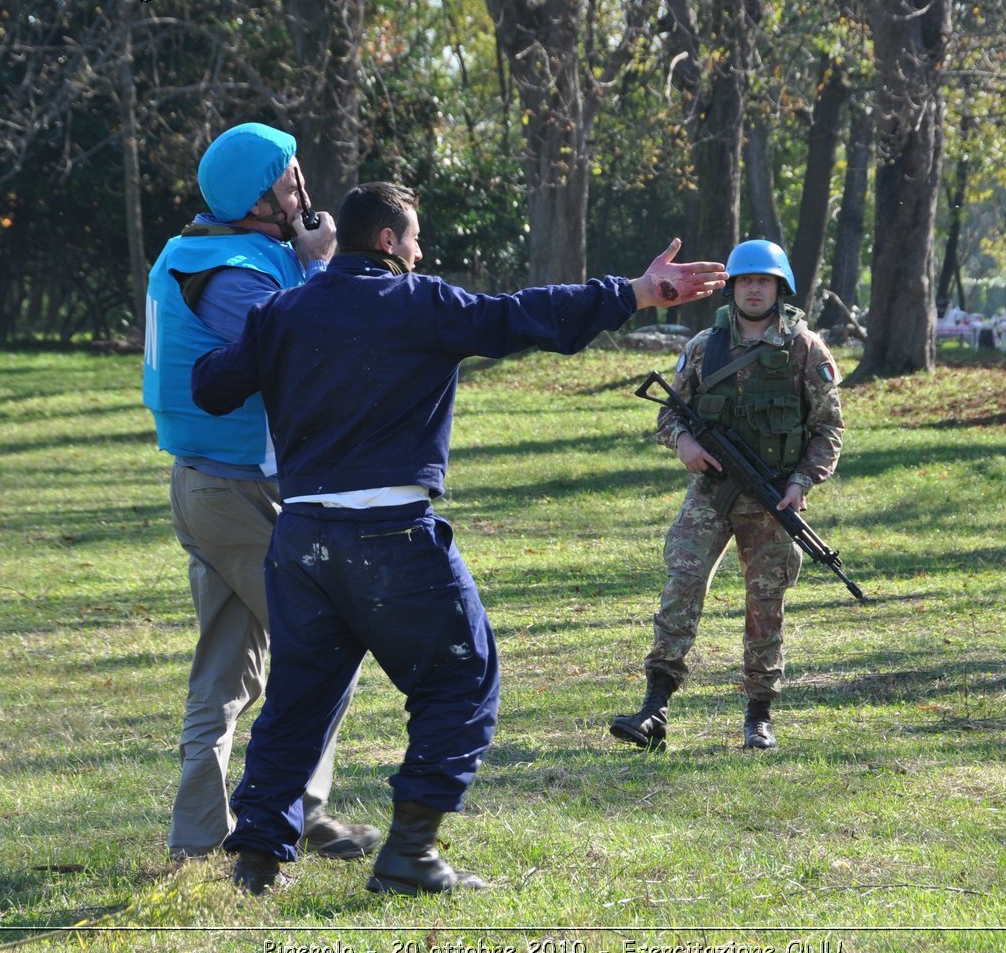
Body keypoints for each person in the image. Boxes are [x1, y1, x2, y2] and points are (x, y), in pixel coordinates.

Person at [191, 181, 726, 895]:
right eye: (414, 239)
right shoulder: (420, 303)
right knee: (463, 680)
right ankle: (411, 851)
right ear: (388, 241)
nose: (421, 251)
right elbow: (523, 316)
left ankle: (256, 859)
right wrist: (632, 291)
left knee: (297, 696)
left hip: (303, 541)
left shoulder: (281, 312)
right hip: (391, 538)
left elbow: (213, 386)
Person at [142, 122, 377, 863]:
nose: (303, 190)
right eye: (289, 179)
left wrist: (304, 261)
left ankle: (197, 839)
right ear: (255, 197)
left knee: (226, 671)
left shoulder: (219, 251)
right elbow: (305, 346)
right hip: (236, 491)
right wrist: (323, 264)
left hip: (213, 486)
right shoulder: (235, 273)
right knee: (325, 642)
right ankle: (296, 813)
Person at [608, 239, 843, 753]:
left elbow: (828, 430)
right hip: (710, 492)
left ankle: (758, 714)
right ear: (733, 287)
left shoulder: (805, 348)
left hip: (774, 497)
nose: (754, 289)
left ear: (779, 288)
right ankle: (655, 709)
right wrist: (684, 442)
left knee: (766, 604)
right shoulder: (702, 346)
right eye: (745, 280)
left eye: (764, 281)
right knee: (682, 586)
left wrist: (802, 482)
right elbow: (669, 413)